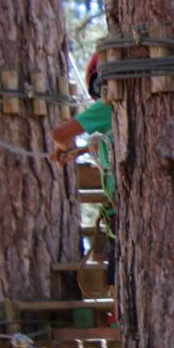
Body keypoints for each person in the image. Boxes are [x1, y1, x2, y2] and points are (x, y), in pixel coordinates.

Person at [49, 56, 117, 233]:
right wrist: (79, 151)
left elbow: (58, 134)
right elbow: (110, 143)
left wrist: (63, 147)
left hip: (122, 208)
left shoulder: (108, 104)